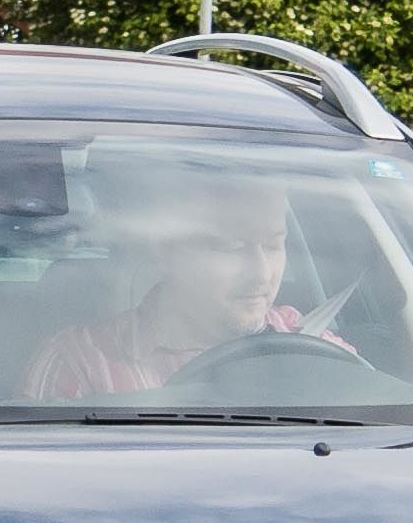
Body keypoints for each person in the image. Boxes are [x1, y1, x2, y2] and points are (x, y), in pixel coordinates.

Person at [22, 168, 333, 401]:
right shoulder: (79, 366)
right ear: (165, 251)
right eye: (232, 247)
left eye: (273, 246)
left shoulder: (315, 347)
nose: (262, 275)